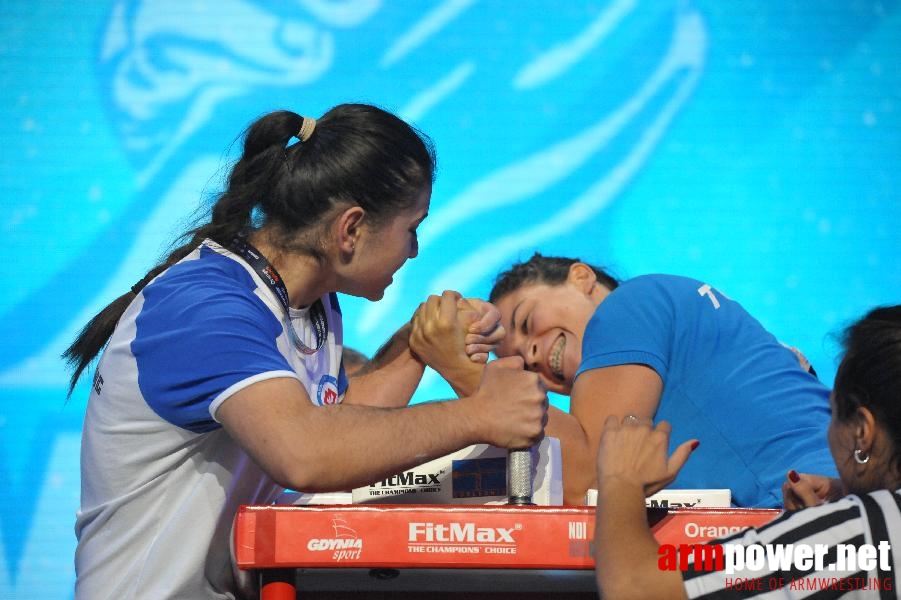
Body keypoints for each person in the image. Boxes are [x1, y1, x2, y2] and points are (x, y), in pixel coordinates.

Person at [64, 104, 547, 600]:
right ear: (351, 230)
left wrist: (417, 343)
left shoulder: (308, 303)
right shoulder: (205, 307)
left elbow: (343, 427)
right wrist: (479, 415)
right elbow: (304, 453)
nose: (415, 249)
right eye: (412, 226)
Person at [593, 304, 901, 598]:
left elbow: (635, 590)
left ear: (862, 432)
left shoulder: (861, 535)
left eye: (831, 413)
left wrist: (621, 482)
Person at [487, 253, 836, 507]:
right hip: (838, 499)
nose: (530, 355)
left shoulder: (626, 306)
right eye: (520, 363)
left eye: (526, 321)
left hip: (808, 510)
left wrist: (468, 373)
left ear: (581, 277)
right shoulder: (681, 319)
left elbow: (596, 488)